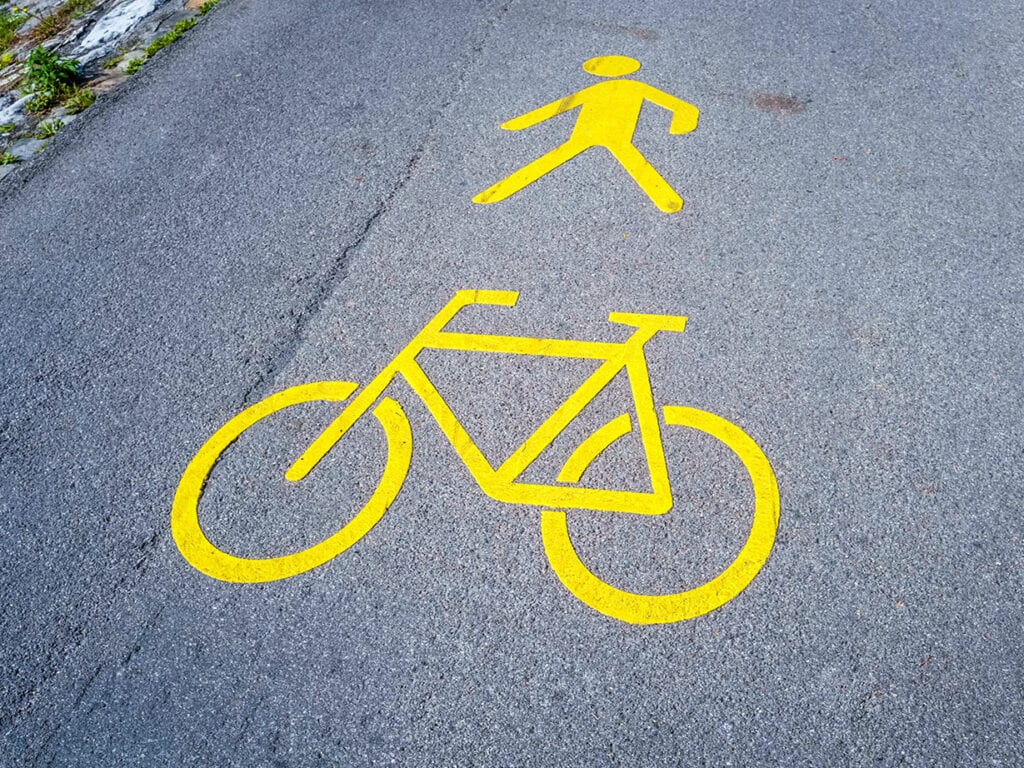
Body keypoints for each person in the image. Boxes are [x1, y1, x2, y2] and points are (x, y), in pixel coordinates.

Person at [473, 55, 700, 213]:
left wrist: (521, 123)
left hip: (606, 134)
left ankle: (499, 191)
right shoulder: (623, 87)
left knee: (556, 158)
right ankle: (667, 199)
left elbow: (560, 106)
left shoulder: (633, 87)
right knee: (629, 161)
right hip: (590, 134)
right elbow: (562, 105)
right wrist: (520, 123)